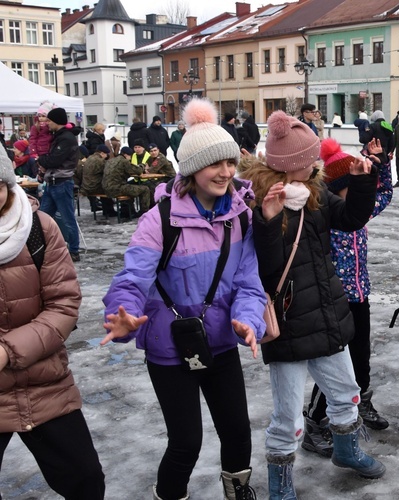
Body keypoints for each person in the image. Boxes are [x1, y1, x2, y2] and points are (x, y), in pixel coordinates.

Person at [101, 98, 266, 500]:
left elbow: (249, 283)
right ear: (192, 168)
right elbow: (133, 277)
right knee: (186, 441)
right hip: (169, 347)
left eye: (230, 162)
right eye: (216, 163)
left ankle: (237, 491)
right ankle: (171, 494)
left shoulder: (240, 217)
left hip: (222, 341)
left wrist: (249, 320)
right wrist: (121, 317)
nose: (226, 172)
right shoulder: (159, 219)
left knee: (237, 432)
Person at [240, 110, 385, 498]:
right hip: (287, 325)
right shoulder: (259, 202)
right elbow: (266, 270)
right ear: (291, 166)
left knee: (347, 391)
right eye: (309, 161)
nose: (316, 165)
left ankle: (346, 450)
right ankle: (280, 484)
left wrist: (360, 180)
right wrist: (269, 221)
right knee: (287, 417)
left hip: (324, 312)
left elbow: (352, 218)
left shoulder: (315, 194)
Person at [0, 158, 106, 499]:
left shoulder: (37, 228)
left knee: (86, 480)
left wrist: (6, 351)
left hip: (44, 382)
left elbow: (63, 305)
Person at [301, 137, 393, 457]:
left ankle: (361, 402)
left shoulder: (361, 211)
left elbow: (383, 193)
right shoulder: (328, 216)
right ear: (337, 188)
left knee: (361, 357)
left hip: (360, 295)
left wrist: (380, 165)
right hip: (335, 301)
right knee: (336, 366)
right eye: (353, 186)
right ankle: (315, 421)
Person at [35, 107, 82, 262]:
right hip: (52, 182)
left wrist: (41, 159)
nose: (46, 123)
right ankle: (42, 247)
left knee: (67, 218)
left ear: (56, 122)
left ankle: (74, 250)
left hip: (61, 183)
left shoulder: (66, 138)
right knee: (42, 218)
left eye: (49, 120)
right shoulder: (59, 136)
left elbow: (55, 160)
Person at [102, 146, 150, 216]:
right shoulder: (124, 161)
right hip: (117, 189)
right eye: (130, 156)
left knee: (130, 187)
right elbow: (137, 171)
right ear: (126, 155)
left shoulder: (111, 160)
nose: (130, 158)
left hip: (106, 188)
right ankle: (144, 212)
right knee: (145, 189)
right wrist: (142, 166)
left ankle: (127, 211)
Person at [78, 145, 117, 217]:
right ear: (102, 153)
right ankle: (109, 211)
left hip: (86, 186)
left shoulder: (89, 158)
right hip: (94, 186)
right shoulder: (100, 161)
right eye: (106, 154)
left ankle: (107, 210)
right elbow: (110, 171)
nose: (106, 156)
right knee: (109, 188)